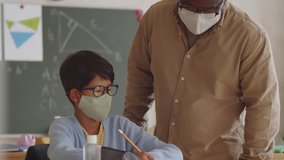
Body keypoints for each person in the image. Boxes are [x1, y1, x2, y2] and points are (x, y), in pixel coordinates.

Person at [123, 0, 280, 160]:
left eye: (208, 11)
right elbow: (139, 79)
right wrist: (130, 135)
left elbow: (263, 106)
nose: (198, 16)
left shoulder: (250, 36)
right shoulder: (155, 19)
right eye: (190, 8)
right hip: (161, 154)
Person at [47, 50, 183, 160]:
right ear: (76, 95)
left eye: (109, 89)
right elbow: (60, 154)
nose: (106, 96)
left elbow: (175, 153)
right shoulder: (63, 127)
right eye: (99, 90)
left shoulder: (120, 126)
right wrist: (121, 158)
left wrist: (151, 157)